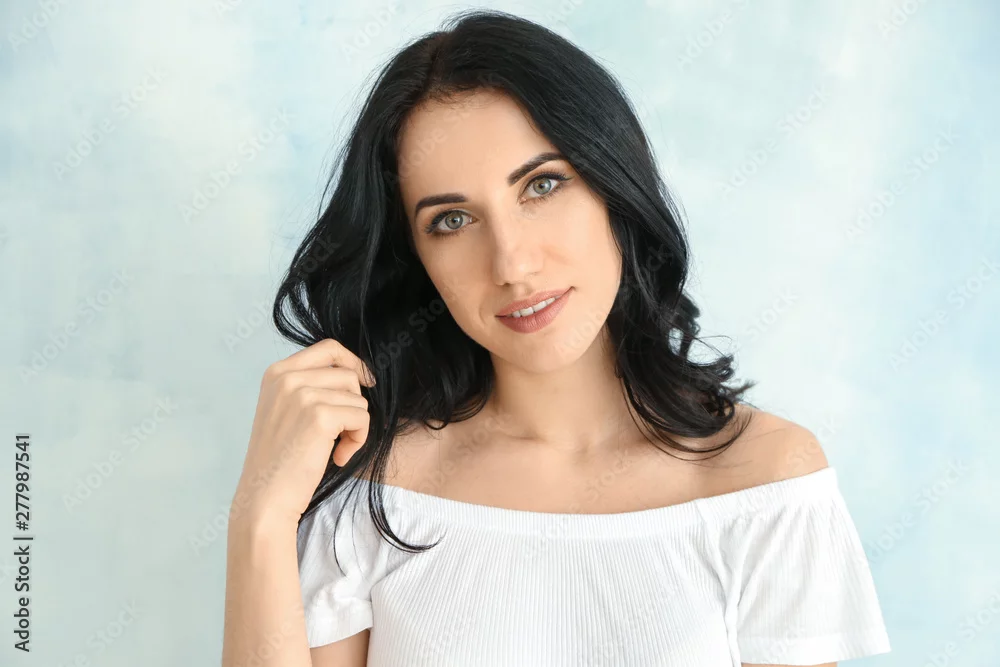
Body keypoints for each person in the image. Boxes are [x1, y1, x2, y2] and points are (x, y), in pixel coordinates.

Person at [222, 8, 891, 667]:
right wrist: (261, 516)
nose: (512, 264)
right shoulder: (372, 495)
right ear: (416, 259)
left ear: (613, 187)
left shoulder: (764, 483)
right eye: (452, 220)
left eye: (542, 185)